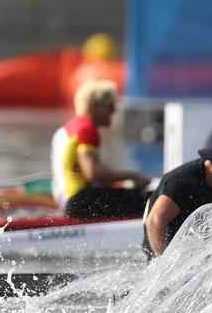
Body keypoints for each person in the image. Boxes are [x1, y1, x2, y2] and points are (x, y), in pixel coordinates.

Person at [51, 79, 152, 220]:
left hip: (66, 200)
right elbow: (93, 173)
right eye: (110, 106)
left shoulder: (65, 130)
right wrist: (132, 175)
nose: (114, 111)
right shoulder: (87, 129)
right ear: (94, 107)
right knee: (151, 199)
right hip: (80, 202)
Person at [143, 131, 212, 259]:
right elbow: (154, 221)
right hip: (162, 248)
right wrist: (164, 261)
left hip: (193, 245)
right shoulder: (181, 182)